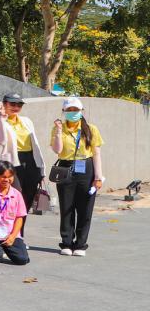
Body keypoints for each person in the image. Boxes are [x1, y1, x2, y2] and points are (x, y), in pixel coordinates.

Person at [50, 98, 105, 256]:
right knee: (66, 207)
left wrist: (98, 177)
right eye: (69, 110)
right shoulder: (58, 128)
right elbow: (57, 150)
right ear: (64, 112)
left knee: (85, 208)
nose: (73, 113)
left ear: (81, 111)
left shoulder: (91, 129)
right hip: (65, 168)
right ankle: (66, 243)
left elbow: (96, 154)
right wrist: (58, 131)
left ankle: (80, 244)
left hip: (86, 168)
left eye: (76, 110)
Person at [0, 93, 46, 214]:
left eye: (19, 105)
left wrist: (41, 169)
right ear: (4, 104)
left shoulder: (27, 121)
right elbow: (1, 140)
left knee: (29, 195)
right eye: (12, 104)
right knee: (16, 193)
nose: (16, 107)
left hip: (31, 160)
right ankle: (11, 223)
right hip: (13, 161)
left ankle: (20, 224)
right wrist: (2, 119)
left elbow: (35, 145)